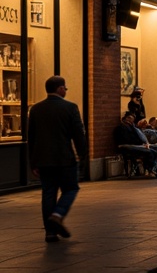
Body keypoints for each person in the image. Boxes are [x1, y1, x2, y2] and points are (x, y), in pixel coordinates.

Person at [27, 75, 88, 242]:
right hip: (64, 158)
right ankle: (58, 214)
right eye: (65, 88)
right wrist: (83, 153)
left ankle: (50, 232)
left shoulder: (36, 109)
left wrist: (33, 162)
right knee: (71, 188)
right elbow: (78, 133)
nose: (66, 90)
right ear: (60, 89)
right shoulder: (70, 108)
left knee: (48, 193)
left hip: (43, 159)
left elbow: (31, 137)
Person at [113, 112, 157, 176]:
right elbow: (126, 140)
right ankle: (151, 169)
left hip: (139, 145)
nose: (130, 120)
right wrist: (141, 145)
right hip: (128, 146)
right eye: (129, 118)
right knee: (151, 152)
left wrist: (145, 143)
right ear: (124, 118)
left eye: (132, 119)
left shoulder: (133, 128)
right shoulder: (120, 128)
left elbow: (140, 137)